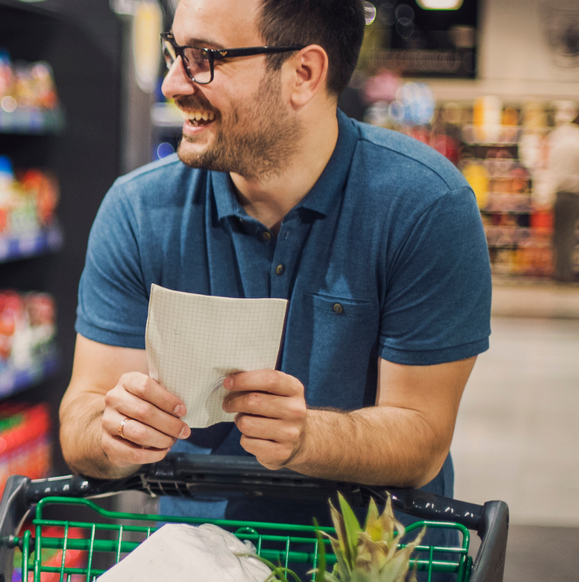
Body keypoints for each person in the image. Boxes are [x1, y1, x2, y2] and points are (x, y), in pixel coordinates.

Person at [59, 0, 492, 521]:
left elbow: (422, 438)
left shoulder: (423, 207)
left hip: (373, 578)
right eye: (174, 52)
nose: (172, 83)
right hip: (191, 578)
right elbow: (81, 416)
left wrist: (308, 435)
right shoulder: (138, 210)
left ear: (303, 74)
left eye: (204, 58)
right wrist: (111, 430)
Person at [547, 103, 579, 283]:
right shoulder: (576, 140)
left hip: (560, 193)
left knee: (561, 234)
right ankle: (565, 274)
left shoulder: (557, 139)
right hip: (574, 193)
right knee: (567, 234)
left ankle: (561, 272)